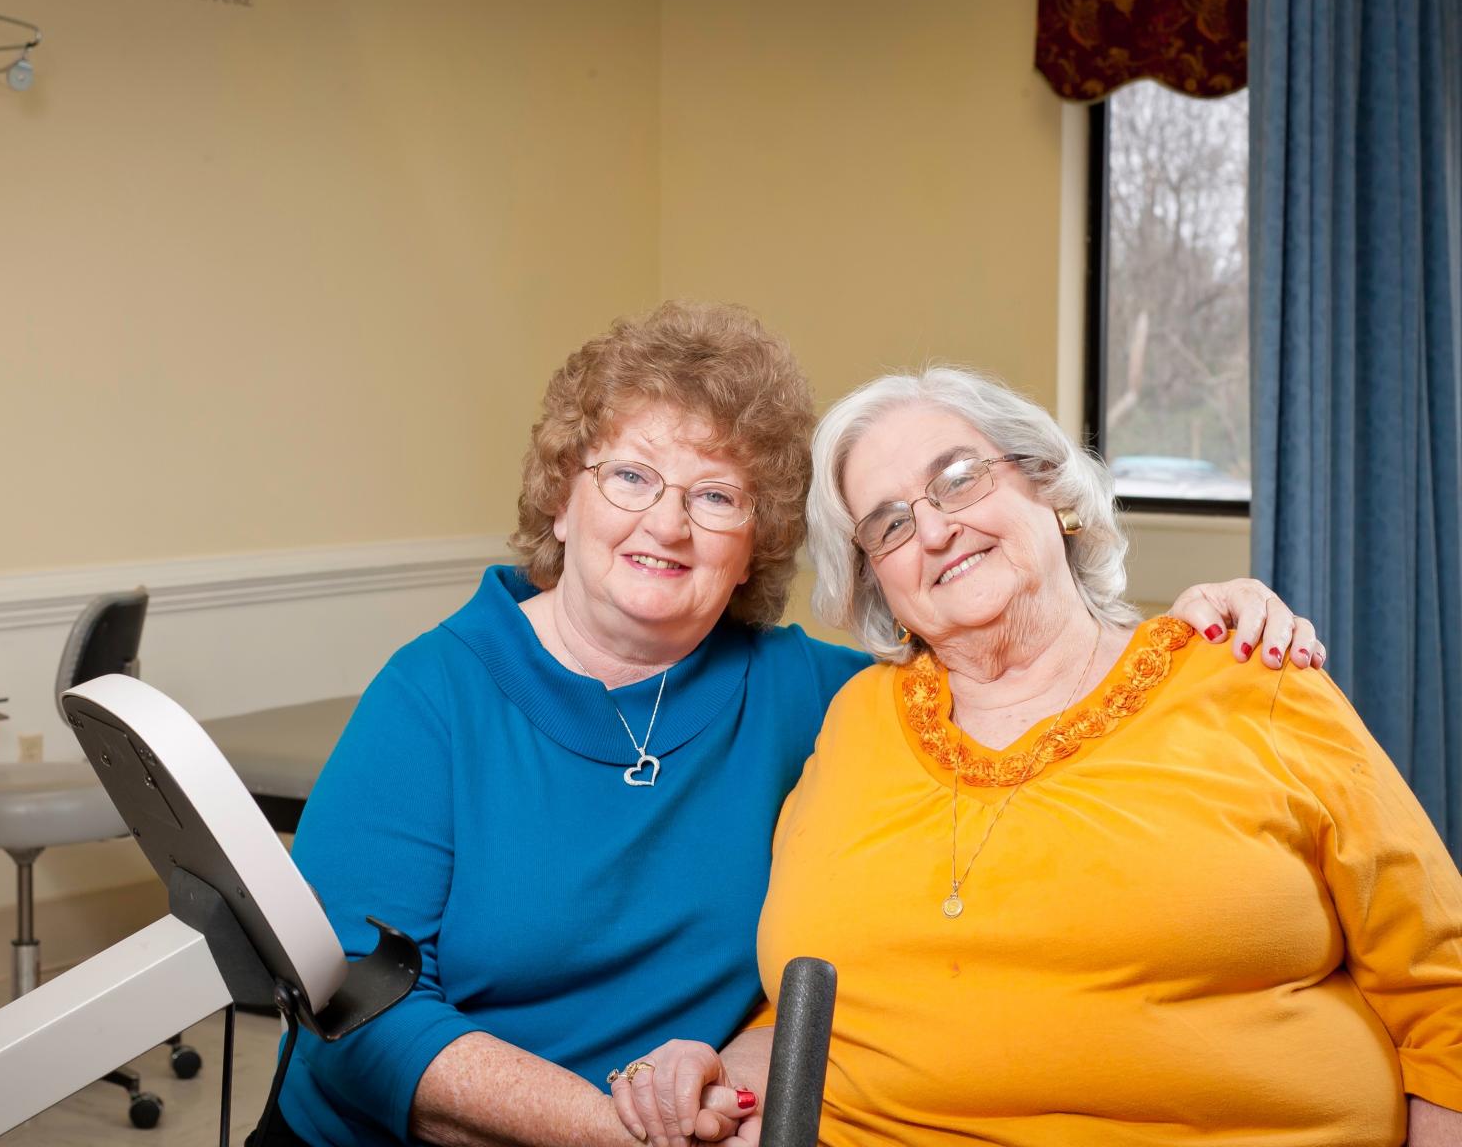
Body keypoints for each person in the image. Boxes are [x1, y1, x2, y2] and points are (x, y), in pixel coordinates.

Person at [273, 311, 1319, 1147]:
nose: (667, 522)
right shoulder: (433, 697)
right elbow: (354, 1019)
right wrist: (606, 1129)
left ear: (755, 549)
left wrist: (1183, 630)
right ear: (561, 501)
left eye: (716, 497)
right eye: (630, 477)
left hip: (699, 1119)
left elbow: (1024, 669)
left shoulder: (828, 702)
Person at [622, 366, 1462, 1147]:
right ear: (880, 584)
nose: (938, 528)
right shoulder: (854, 717)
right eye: (890, 524)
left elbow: (1442, 992)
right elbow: (809, 1005)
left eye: (959, 478)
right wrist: (721, 1073)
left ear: (1051, 488)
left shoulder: (1251, 676)